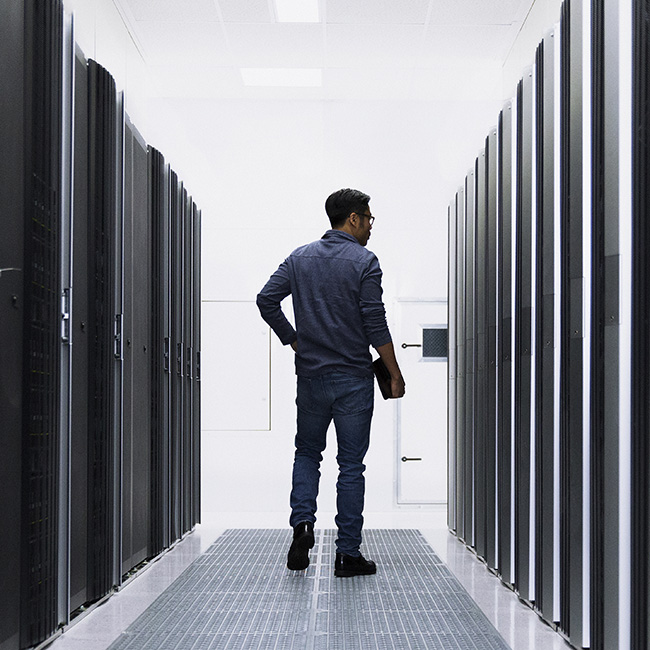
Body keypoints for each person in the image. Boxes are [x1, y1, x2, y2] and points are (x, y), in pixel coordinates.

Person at [256, 188, 405, 577]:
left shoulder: (299, 258)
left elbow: (266, 300)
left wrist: (293, 338)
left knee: (307, 453)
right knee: (351, 466)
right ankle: (347, 554)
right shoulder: (365, 262)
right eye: (369, 218)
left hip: (310, 377)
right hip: (354, 379)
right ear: (352, 219)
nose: (371, 225)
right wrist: (394, 371)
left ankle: (303, 525)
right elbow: (375, 324)